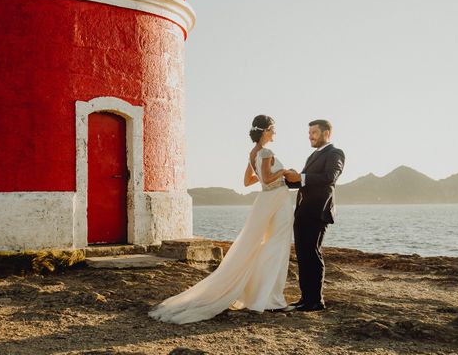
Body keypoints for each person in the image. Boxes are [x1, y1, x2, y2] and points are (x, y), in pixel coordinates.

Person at [148, 115, 296, 324]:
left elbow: (248, 181)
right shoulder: (266, 152)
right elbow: (269, 178)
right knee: (277, 246)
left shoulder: (253, 153)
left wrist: (268, 176)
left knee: (268, 245)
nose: (275, 133)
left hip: (267, 200)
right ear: (265, 130)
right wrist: (284, 171)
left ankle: (262, 295)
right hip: (277, 200)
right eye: (273, 129)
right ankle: (271, 299)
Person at [284, 120, 345, 312]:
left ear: (326, 133)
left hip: (318, 211)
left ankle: (316, 301)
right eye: (309, 132)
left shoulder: (335, 153)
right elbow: (301, 182)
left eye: (314, 132)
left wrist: (300, 177)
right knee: (303, 255)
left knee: (313, 254)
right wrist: (279, 178)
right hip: (302, 211)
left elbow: (330, 177)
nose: (310, 136)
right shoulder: (312, 155)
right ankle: (305, 299)